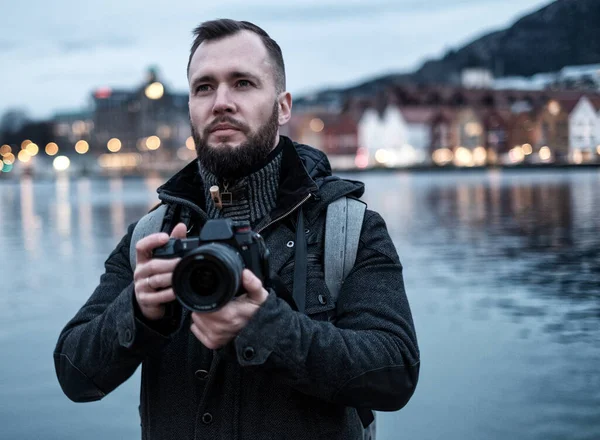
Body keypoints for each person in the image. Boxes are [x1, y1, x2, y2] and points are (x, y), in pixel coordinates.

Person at [54, 19, 420, 440]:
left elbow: (395, 373)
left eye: (243, 83)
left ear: (283, 107)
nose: (220, 102)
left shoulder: (348, 229)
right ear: (190, 105)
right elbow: (74, 374)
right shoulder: (152, 235)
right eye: (204, 87)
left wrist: (270, 328)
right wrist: (138, 311)